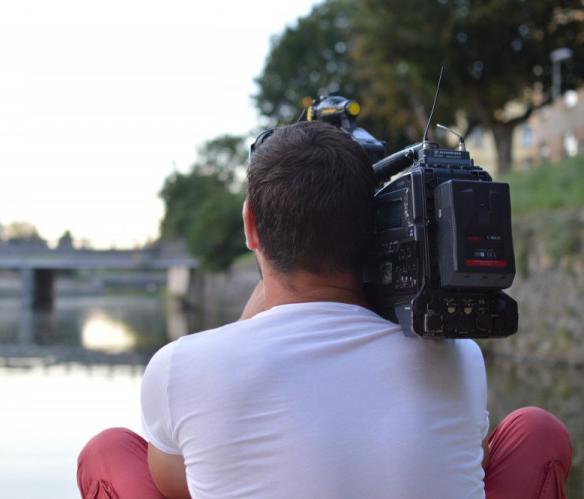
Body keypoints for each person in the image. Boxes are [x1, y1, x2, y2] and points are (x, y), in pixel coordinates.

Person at [77, 120, 571, 498]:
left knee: (107, 452)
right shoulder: (456, 354)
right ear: (372, 227)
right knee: (537, 429)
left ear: (251, 226)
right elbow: (471, 459)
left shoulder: (180, 367)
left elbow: (174, 484)